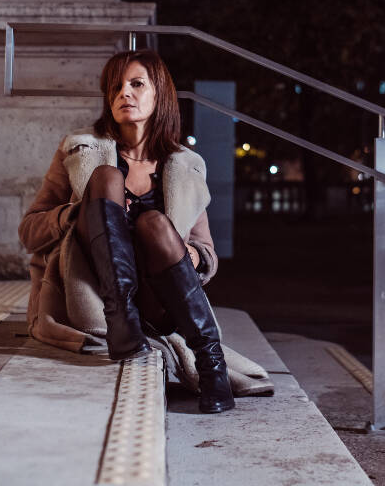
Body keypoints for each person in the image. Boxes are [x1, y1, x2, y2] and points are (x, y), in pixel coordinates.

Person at [18, 49, 235, 414]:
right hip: (97, 296)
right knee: (106, 177)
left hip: (159, 297)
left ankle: (211, 362)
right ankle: (124, 324)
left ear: (159, 94)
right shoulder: (81, 151)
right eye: (116, 87)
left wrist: (185, 251)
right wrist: (77, 213)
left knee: (153, 223)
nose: (124, 94)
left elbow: (207, 254)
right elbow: (29, 232)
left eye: (136, 84)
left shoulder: (185, 166)